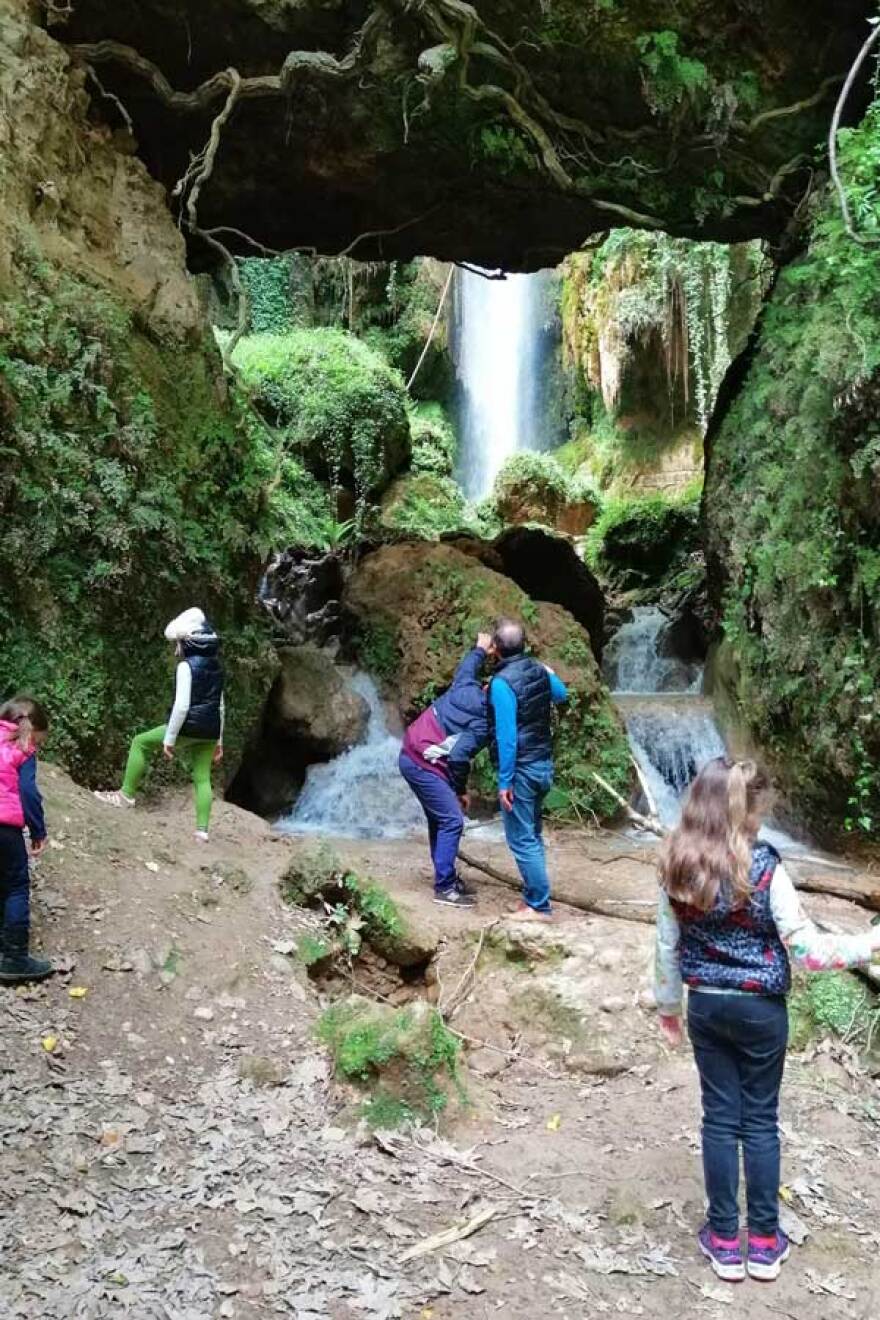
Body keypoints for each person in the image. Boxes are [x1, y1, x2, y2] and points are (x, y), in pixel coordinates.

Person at [655, 757, 880, 1284]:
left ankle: (724, 1241)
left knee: (718, 1118)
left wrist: (669, 1010)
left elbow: (666, 945)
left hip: (706, 1005)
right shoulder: (766, 866)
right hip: (761, 1010)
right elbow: (806, 949)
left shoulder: (675, 862)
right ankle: (762, 1241)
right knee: (759, 1121)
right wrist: (869, 943)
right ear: (747, 808)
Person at [95, 608, 224, 841]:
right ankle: (202, 832)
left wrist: (170, 738)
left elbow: (182, 706)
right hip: (210, 730)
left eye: (179, 644)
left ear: (189, 645)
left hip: (188, 726)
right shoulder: (217, 668)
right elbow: (220, 706)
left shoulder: (186, 667)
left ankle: (126, 795)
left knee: (140, 742)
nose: (177, 649)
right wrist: (219, 740)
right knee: (202, 778)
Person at [399, 634, 490, 909]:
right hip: (422, 764)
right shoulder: (485, 722)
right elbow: (460, 757)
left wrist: (480, 650)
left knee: (440, 819)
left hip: (412, 754)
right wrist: (460, 790)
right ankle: (445, 888)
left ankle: (445, 876)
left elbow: (466, 668)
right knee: (452, 820)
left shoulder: (466, 687)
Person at [487, 617, 567, 922]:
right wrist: (546, 671)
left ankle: (539, 906)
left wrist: (504, 781)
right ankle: (533, 898)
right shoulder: (537, 669)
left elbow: (506, 738)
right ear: (524, 645)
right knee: (531, 834)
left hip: (521, 770)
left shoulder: (501, 683)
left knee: (521, 839)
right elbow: (561, 694)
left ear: (495, 649)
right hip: (543, 764)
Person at [0, 696, 53, 982]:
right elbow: (28, 793)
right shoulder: (23, 749)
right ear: (32, 732)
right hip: (4, 828)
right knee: (16, 886)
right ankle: (14, 958)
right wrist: (38, 832)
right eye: (40, 741)